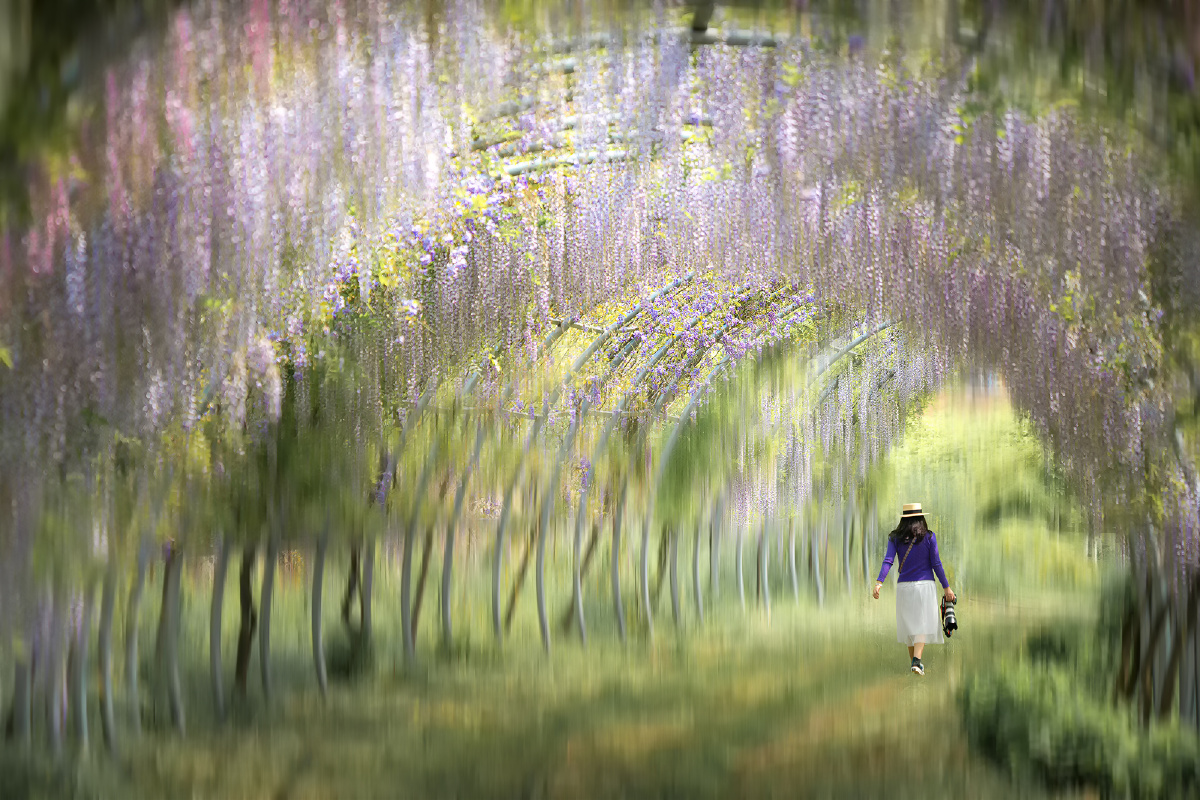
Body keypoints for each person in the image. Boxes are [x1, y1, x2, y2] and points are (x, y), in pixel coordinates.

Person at [872, 503, 955, 676]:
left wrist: (879, 582)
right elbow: (936, 564)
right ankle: (917, 661)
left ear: (904, 519)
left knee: (910, 626)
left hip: (904, 588)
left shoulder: (895, 537)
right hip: (925, 587)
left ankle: (914, 665)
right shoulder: (929, 537)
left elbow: (888, 560)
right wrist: (946, 587)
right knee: (921, 624)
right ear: (921, 518)